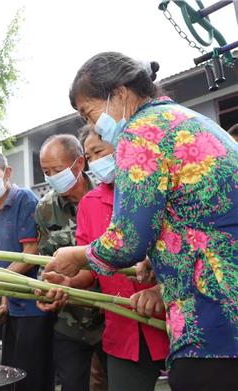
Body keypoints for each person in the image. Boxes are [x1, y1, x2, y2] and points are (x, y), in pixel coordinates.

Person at [46, 52, 238, 391]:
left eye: (89, 113)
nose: (94, 128)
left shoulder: (141, 132)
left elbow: (127, 240)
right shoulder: (184, 120)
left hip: (212, 319)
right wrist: (157, 259)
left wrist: (76, 256)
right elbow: (198, 215)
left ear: (119, 94)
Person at [41, 127, 170, 391]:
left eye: (99, 151)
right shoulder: (90, 204)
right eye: (90, 156)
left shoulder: (157, 189)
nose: (96, 162)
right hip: (123, 331)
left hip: (173, 321)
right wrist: (67, 279)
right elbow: (90, 268)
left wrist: (161, 289)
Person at [0, 150, 55, 391]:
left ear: (7, 173)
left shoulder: (25, 200)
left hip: (34, 307)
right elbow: (2, 261)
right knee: (11, 374)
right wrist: (5, 302)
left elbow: (30, 254)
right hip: (15, 308)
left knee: (32, 378)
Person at [36, 133, 107, 391]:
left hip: (110, 315)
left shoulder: (107, 193)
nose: (52, 176)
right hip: (69, 320)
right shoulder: (45, 208)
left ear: (79, 164)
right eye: (46, 171)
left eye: (57, 169)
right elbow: (45, 263)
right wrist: (45, 289)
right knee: (72, 384)